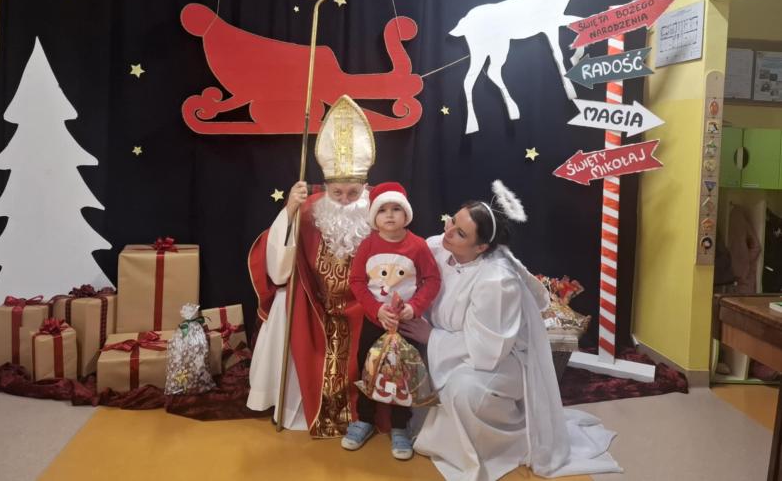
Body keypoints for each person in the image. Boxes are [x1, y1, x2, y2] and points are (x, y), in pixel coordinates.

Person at [400, 180, 621, 481]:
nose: (448, 231)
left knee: (465, 391)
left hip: (501, 360)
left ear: (481, 247)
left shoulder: (496, 281)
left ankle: (507, 445)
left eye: (461, 233)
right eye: (452, 221)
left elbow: (488, 349)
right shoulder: (438, 247)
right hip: (449, 346)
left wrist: (432, 338)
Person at [247, 96, 375, 438]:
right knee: (283, 302)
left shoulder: (378, 213)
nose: (345, 201)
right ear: (326, 187)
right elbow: (278, 269)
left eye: (353, 193)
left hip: (362, 308)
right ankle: (293, 402)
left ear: (364, 188)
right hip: (313, 306)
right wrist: (289, 209)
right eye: (338, 193)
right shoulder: (310, 209)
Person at [344, 182, 441, 459]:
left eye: (396, 208)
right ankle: (364, 419)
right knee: (368, 368)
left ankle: (400, 426)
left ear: (406, 213)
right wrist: (376, 310)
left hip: (405, 325)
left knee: (402, 374)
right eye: (382, 210)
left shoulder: (418, 246)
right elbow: (357, 281)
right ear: (374, 216)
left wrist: (414, 307)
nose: (389, 215)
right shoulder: (368, 245)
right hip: (375, 322)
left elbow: (432, 280)